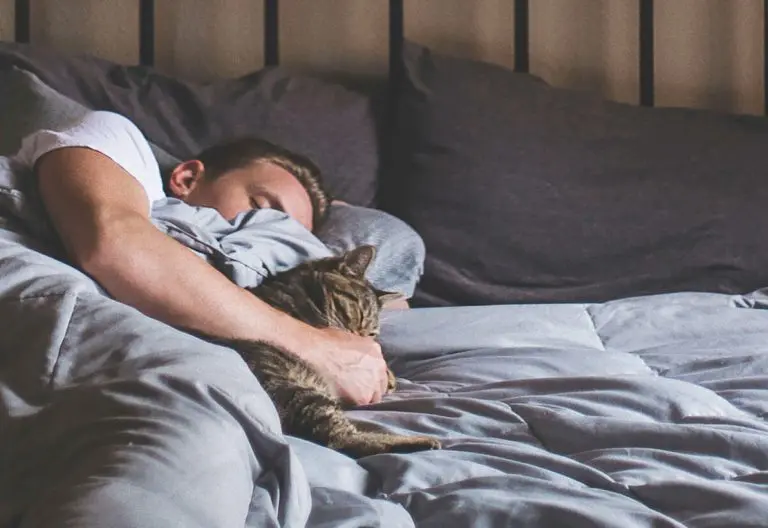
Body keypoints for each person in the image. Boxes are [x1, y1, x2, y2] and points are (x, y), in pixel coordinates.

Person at [13, 110, 390, 406]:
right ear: (188, 177)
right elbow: (114, 242)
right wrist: (313, 347)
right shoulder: (119, 142)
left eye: (286, 232)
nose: (266, 232)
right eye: (259, 207)